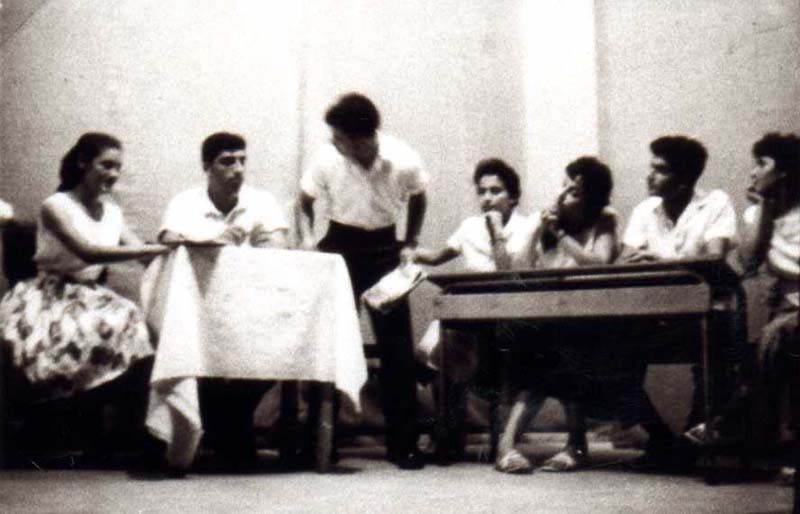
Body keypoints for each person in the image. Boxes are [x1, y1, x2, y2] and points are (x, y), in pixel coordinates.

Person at [0, 132, 168, 462]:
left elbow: (140, 251)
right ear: (82, 163)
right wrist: (154, 249)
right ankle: (59, 431)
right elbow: (88, 252)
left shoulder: (113, 212)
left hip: (91, 295)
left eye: (118, 167)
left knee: (133, 321)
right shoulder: (56, 206)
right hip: (49, 296)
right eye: (106, 165)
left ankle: (127, 435)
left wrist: (176, 247)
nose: (113, 174)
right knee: (74, 333)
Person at [299, 93, 428, 470]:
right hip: (339, 247)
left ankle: (404, 444)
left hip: (385, 249)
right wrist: (307, 240)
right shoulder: (326, 159)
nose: (333, 142)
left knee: (397, 348)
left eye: (339, 137)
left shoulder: (403, 158)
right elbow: (303, 202)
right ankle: (319, 442)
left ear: (361, 138)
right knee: (329, 344)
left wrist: (411, 241)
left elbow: (419, 198)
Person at [158, 132, 289, 471]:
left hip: (254, 308)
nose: (238, 169)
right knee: (194, 352)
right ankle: (232, 431)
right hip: (199, 309)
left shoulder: (262, 201)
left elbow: (279, 246)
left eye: (242, 160)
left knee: (282, 344)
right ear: (207, 166)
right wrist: (212, 240)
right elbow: (168, 239)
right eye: (227, 161)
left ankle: (226, 425)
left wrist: (259, 242)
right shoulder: (185, 202)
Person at [612, 135, 738, 469]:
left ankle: (691, 443)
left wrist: (661, 262)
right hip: (656, 317)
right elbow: (626, 263)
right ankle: (663, 442)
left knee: (717, 346)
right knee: (607, 352)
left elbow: (715, 258)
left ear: (684, 180)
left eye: (660, 170)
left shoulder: (715, 203)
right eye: (651, 167)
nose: (649, 176)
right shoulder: (644, 210)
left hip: (705, 317)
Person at [493, 156, 619, 473]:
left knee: (559, 353)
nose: (562, 196)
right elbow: (516, 269)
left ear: (592, 199)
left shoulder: (605, 219)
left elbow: (600, 263)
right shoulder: (545, 222)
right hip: (544, 315)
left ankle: (507, 446)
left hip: (590, 315)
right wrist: (540, 228)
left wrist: (561, 235)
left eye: (573, 192)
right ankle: (575, 444)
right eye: (563, 187)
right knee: (547, 354)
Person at [685, 132, 798, 484]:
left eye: (761, 164)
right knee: (767, 343)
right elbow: (748, 262)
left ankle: (726, 423)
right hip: (785, 314)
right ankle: (766, 442)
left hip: (789, 316)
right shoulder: (756, 214)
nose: (752, 172)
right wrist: (763, 207)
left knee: (774, 338)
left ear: (785, 170)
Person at [411, 158, 539, 464]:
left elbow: (507, 273)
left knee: (474, 359)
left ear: (513, 197)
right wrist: (409, 252)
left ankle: (452, 433)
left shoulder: (527, 227)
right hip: (467, 314)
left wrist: (496, 231)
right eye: (482, 192)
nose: (487, 198)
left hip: (508, 318)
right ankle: (448, 433)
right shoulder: (469, 226)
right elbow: (438, 256)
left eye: (495, 191)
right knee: (430, 355)